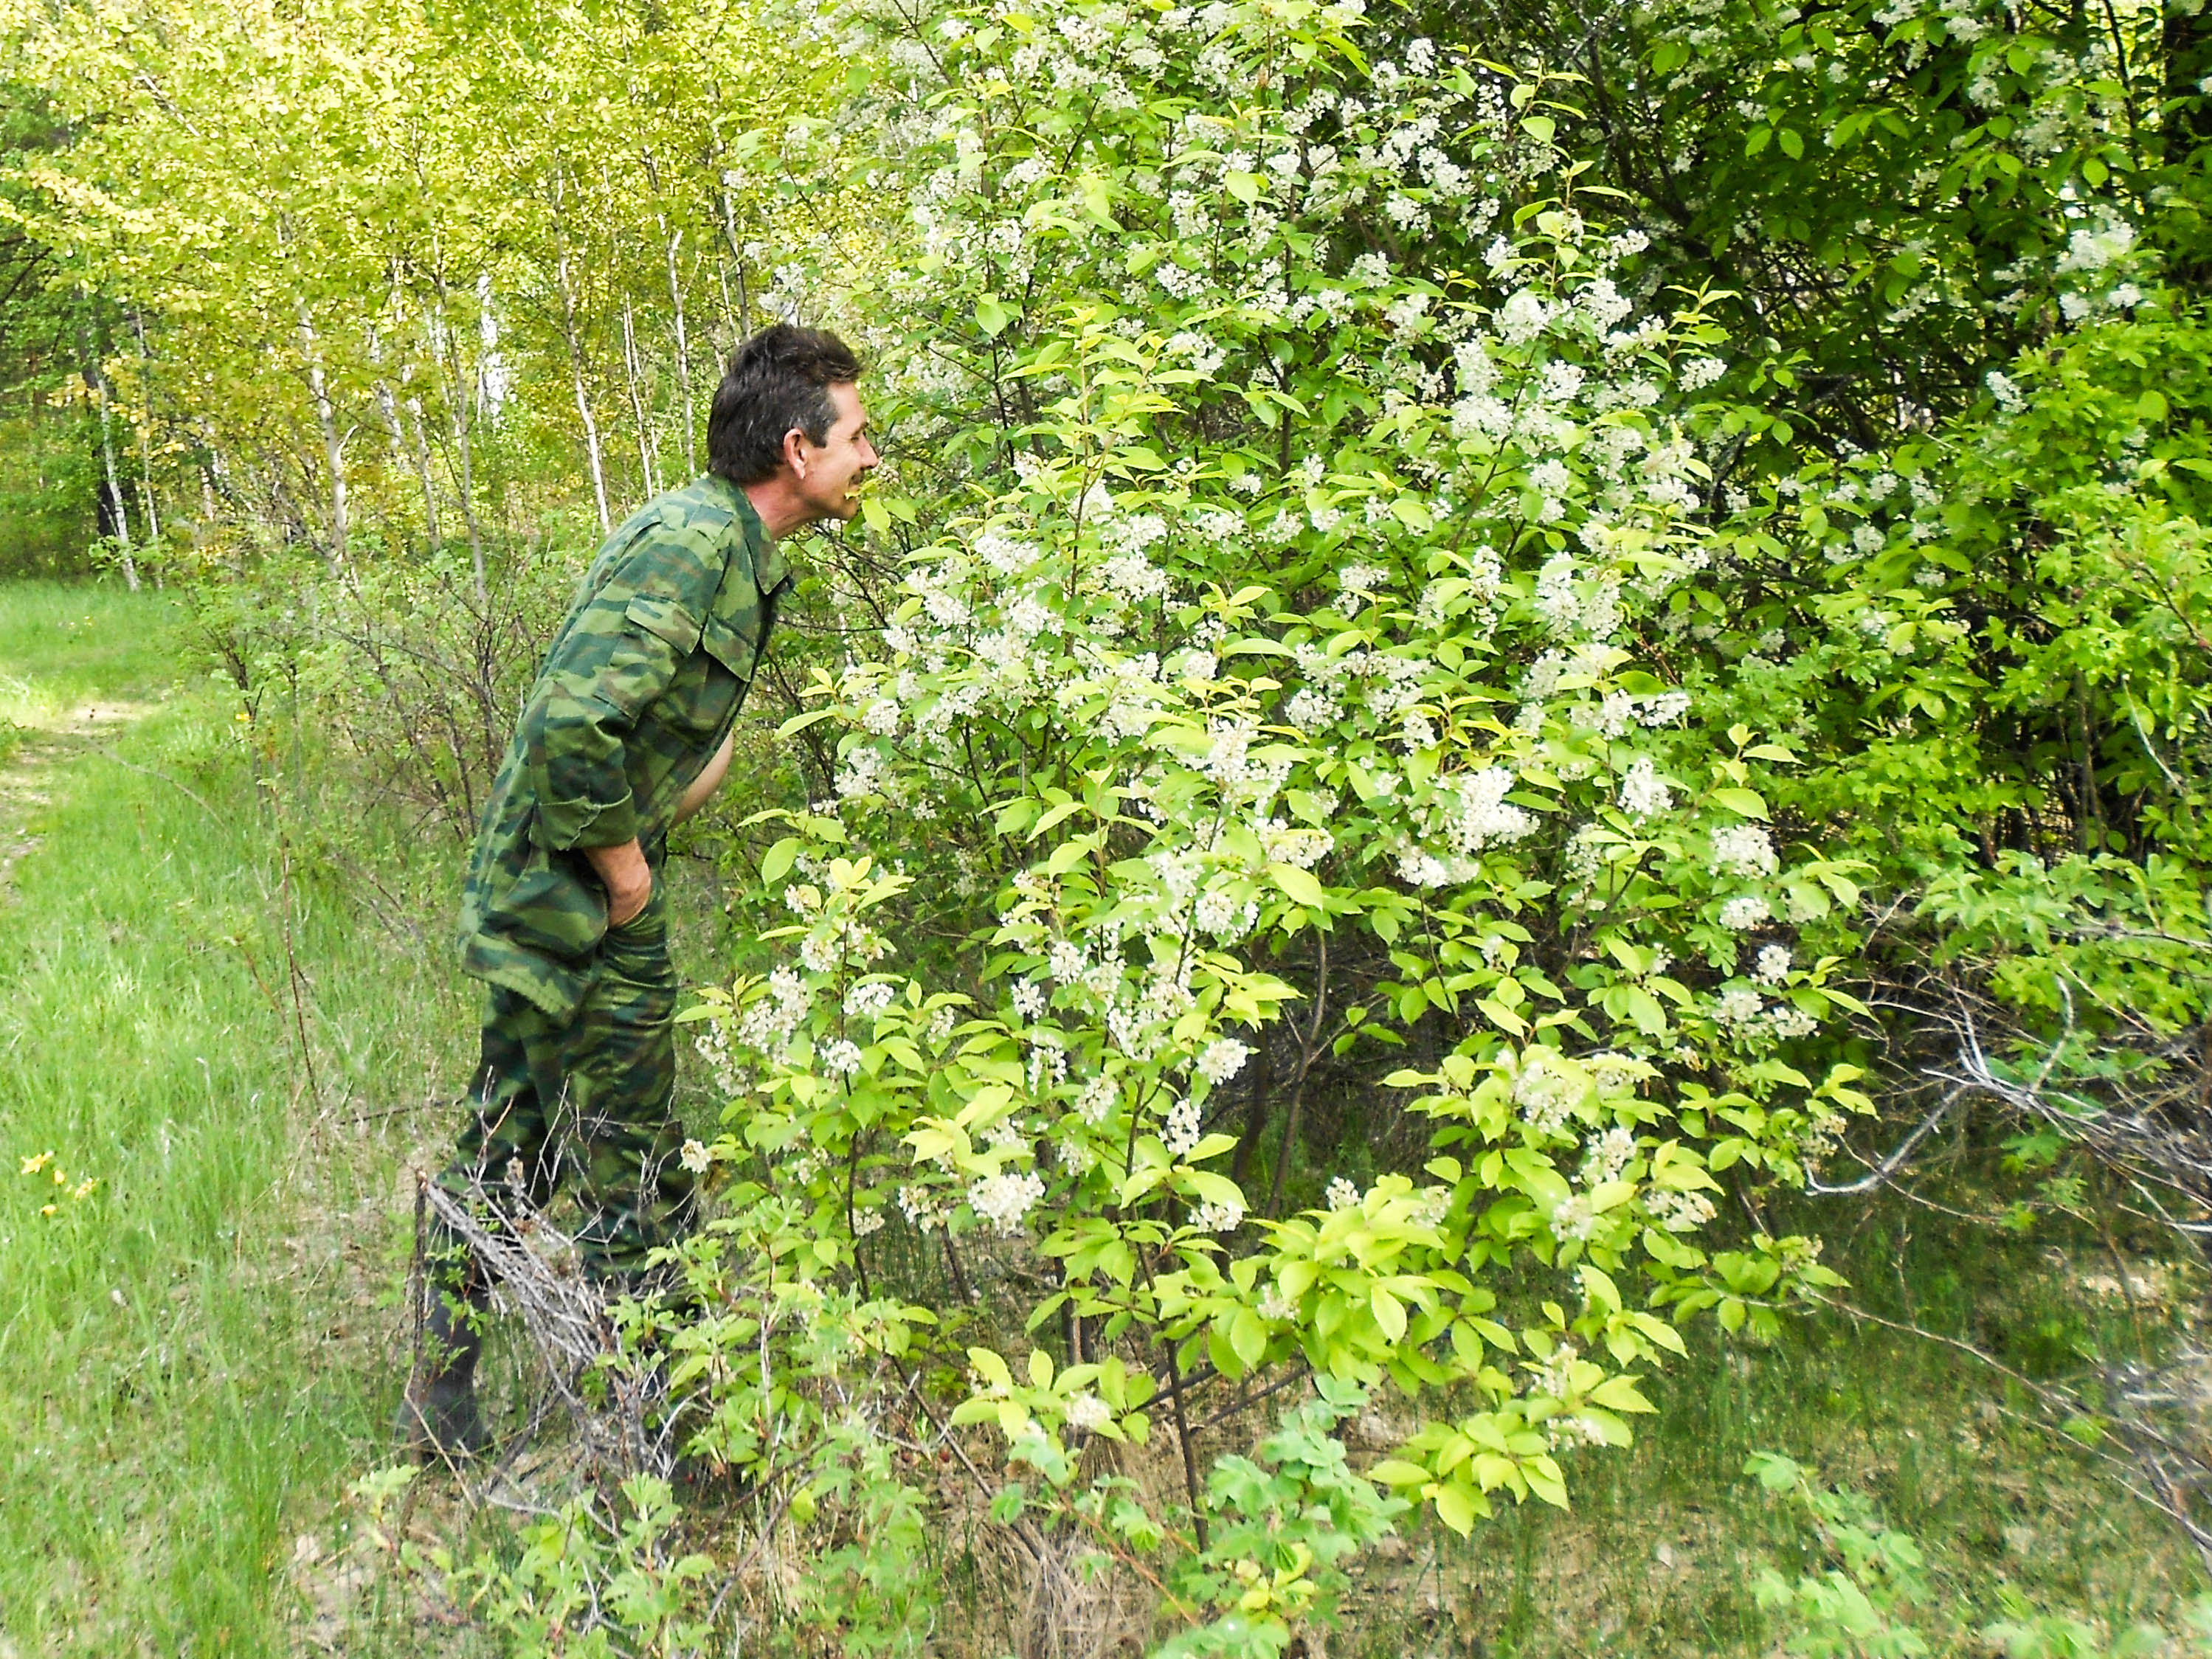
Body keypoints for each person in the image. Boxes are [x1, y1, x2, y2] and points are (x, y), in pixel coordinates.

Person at [398, 323, 876, 1458]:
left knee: (538, 1139)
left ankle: (476, 1406)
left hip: (578, 888)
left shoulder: (731, 548)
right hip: (570, 900)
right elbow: (573, 727)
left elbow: (647, 726)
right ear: (798, 449)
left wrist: (659, 814)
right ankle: (641, 1446)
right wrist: (627, 878)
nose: (870, 457)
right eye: (858, 436)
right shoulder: (694, 545)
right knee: (612, 1161)